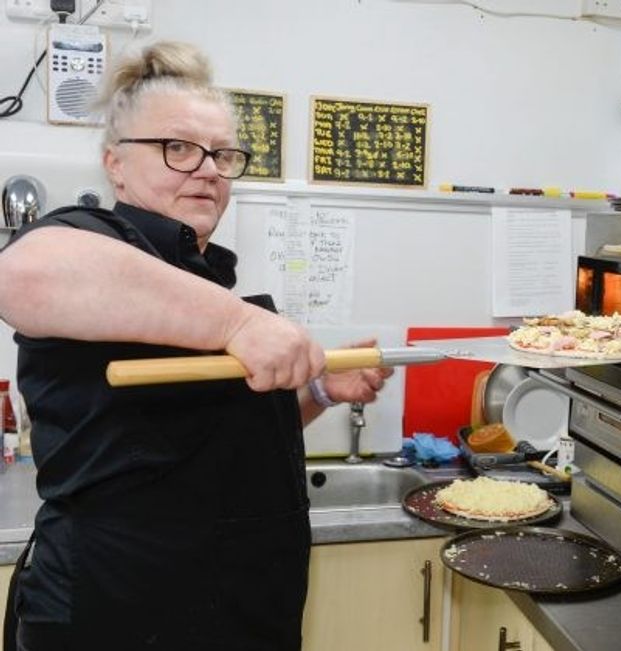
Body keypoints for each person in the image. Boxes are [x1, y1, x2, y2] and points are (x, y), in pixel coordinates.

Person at [0, 41, 392, 650]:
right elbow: (21, 274)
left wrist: (315, 392)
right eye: (177, 148)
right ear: (115, 164)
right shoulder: (93, 240)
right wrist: (240, 328)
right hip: (116, 616)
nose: (208, 168)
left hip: (237, 614)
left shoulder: (209, 288)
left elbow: (212, 441)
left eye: (221, 153)